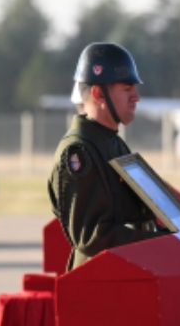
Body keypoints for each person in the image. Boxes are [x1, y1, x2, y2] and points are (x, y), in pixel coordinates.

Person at [48, 42, 166, 271]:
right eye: (127, 88)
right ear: (98, 93)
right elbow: (92, 237)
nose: (136, 97)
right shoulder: (79, 152)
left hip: (126, 276)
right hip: (99, 287)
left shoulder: (112, 143)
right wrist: (162, 242)